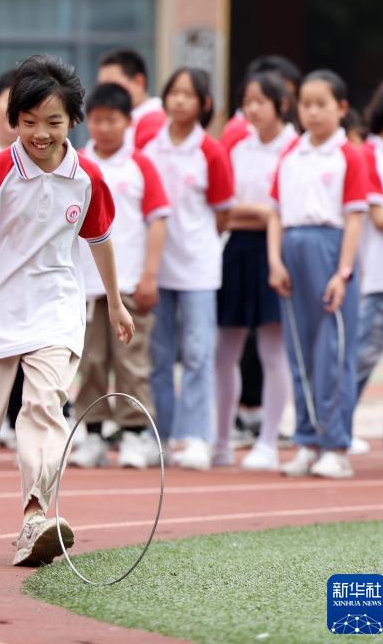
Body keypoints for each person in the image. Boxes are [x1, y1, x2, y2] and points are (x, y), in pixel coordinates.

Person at [0, 55, 132, 567]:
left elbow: (100, 240)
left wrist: (116, 302)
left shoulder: (87, 178)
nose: (40, 134)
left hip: (56, 308)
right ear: (13, 120)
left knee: (43, 407)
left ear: (72, 122)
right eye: (29, 122)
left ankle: (36, 516)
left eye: (54, 122)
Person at [269, 70, 368, 479]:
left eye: (320, 104)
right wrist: (275, 261)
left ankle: (336, 445)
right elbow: (275, 212)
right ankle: (307, 441)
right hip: (292, 250)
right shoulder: (291, 153)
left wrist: (342, 273)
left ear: (341, 108)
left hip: (331, 252)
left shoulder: (350, 155)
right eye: (305, 104)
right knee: (299, 354)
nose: (311, 112)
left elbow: (355, 217)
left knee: (333, 355)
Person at [70, 83, 169, 470]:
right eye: (96, 120)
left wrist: (149, 275)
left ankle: (132, 435)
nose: (104, 128)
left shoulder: (140, 164)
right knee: (90, 361)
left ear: (128, 121)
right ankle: (92, 434)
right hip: (86, 286)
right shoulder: (76, 162)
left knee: (131, 363)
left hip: (127, 283)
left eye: (112, 120)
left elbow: (157, 220)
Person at [142, 67, 234, 471]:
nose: (178, 100)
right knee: (159, 353)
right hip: (155, 265)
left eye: (187, 94)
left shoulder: (210, 150)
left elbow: (222, 213)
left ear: (204, 104)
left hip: (198, 266)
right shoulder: (148, 145)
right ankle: (161, 435)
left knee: (198, 352)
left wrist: (198, 242)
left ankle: (195, 436)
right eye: (173, 92)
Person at [213, 72, 297, 471]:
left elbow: (282, 212)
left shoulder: (294, 149)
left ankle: (267, 441)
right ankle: (222, 440)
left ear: (281, 104)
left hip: (274, 251)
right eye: (248, 100)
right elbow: (226, 211)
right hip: (236, 250)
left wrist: (263, 215)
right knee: (224, 347)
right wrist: (260, 212)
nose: (253, 108)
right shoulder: (239, 148)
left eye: (261, 100)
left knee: (271, 347)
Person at [355, 79, 383, 468]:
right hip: (381, 279)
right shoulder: (369, 154)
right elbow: (381, 218)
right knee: (360, 360)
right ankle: (329, 434)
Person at [97, 49, 166, 149]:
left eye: (113, 85)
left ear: (139, 81)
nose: (105, 93)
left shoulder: (159, 120)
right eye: (102, 87)